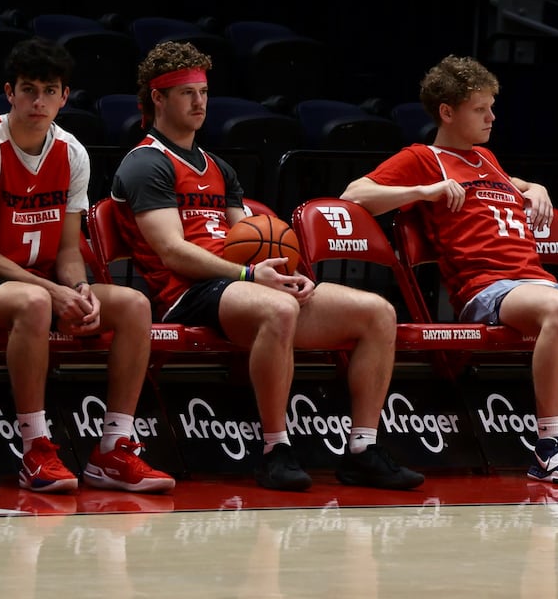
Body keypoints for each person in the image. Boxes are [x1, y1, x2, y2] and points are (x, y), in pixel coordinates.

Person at [342, 55, 558, 485]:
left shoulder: (486, 159)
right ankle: (549, 446)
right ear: (447, 113)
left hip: (538, 284)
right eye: (480, 109)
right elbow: (355, 193)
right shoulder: (424, 158)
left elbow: (512, 183)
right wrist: (423, 191)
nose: (492, 116)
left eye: (492, 106)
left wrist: (534, 187)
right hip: (488, 290)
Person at [109, 41, 424, 492]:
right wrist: (250, 275)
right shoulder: (145, 164)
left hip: (239, 285)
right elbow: (172, 252)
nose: (199, 102)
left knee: (378, 313)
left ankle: (362, 450)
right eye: (185, 93)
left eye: (202, 91)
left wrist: (285, 269)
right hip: (185, 293)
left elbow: (252, 236)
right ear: (157, 99)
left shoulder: (218, 166)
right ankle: (276, 448)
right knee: (278, 310)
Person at [0, 38, 174, 494]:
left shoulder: (72, 152)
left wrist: (79, 287)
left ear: (65, 97)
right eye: (28, 89)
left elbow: (67, 249)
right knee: (34, 302)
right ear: (10, 92)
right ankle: (36, 449)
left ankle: (113, 449)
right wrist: (52, 292)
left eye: (49, 91)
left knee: (134, 305)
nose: (38, 101)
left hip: (37, 283)